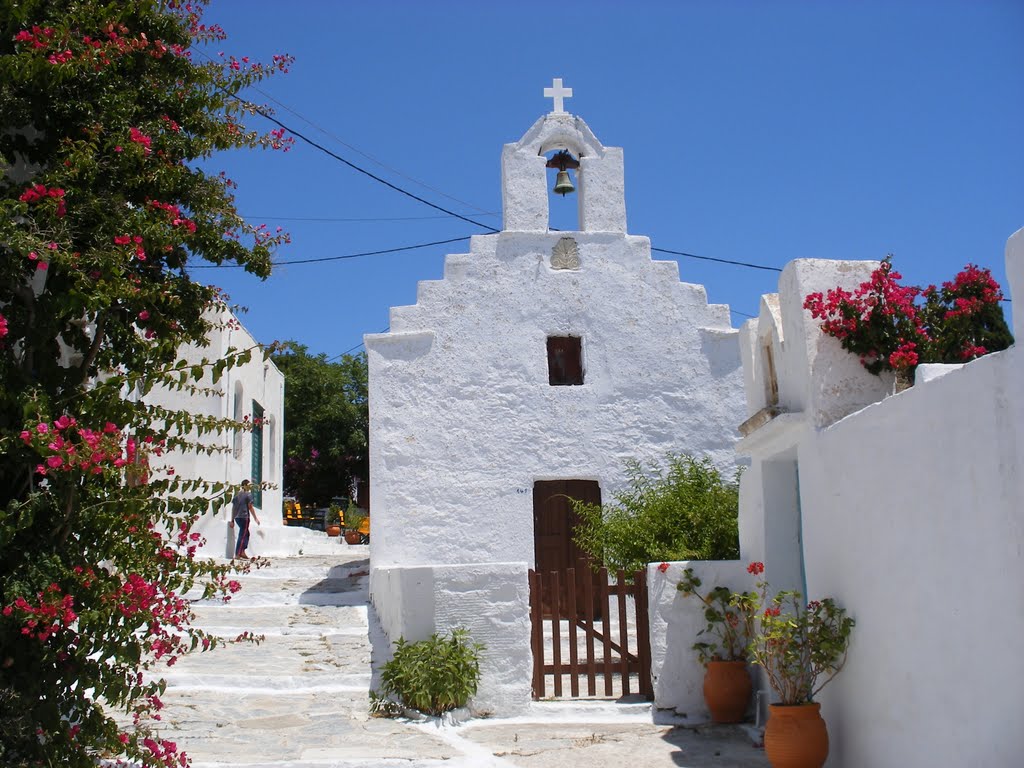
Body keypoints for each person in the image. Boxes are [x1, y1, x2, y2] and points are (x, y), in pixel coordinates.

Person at [228, 480, 260, 559]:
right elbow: (250, 507)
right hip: (244, 517)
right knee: (242, 535)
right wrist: (255, 518)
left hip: (237, 518)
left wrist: (232, 520)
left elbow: (234, 508)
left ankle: (242, 552)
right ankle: (238, 553)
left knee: (246, 533)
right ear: (245, 485)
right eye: (249, 485)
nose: (250, 487)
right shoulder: (248, 495)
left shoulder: (236, 495)